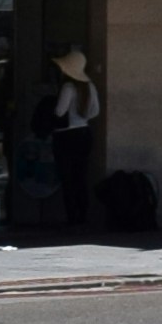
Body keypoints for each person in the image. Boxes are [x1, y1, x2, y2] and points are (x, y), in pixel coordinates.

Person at [40, 42, 100, 238]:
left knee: (68, 179)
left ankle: (72, 219)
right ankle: (82, 217)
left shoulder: (68, 87)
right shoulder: (89, 86)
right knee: (81, 177)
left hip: (66, 136)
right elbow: (95, 111)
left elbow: (59, 111)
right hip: (84, 133)